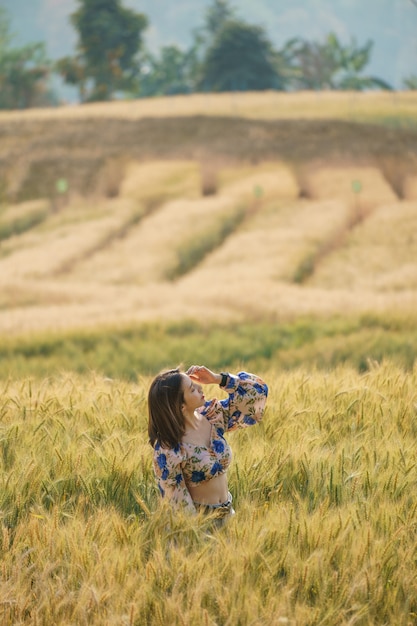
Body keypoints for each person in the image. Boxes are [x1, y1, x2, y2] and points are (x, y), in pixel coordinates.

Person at [148, 365, 268, 523]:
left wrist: (219, 379)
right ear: (180, 406)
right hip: (201, 525)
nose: (199, 386)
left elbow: (257, 397)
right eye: (191, 389)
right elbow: (177, 504)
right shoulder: (169, 449)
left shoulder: (213, 415)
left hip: (230, 517)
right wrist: (197, 536)